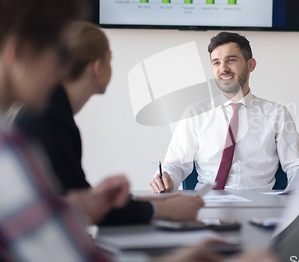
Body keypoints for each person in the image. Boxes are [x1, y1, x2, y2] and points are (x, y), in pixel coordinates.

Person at [0, 0, 223, 262]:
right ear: (19, 53)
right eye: (59, 52)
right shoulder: (13, 144)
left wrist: (80, 205)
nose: (62, 66)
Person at [16, 21, 204, 225]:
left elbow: (80, 200)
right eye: (110, 59)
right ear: (97, 67)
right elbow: (85, 210)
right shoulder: (51, 122)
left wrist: (107, 198)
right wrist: (164, 208)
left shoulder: (50, 113)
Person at [149, 32, 299, 192]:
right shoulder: (195, 113)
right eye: (216, 63)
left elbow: (296, 167)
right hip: (206, 207)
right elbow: (176, 163)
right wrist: (166, 177)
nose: (223, 68)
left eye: (231, 60)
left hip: (259, 208)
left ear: (251, 65)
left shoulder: (277, 113)